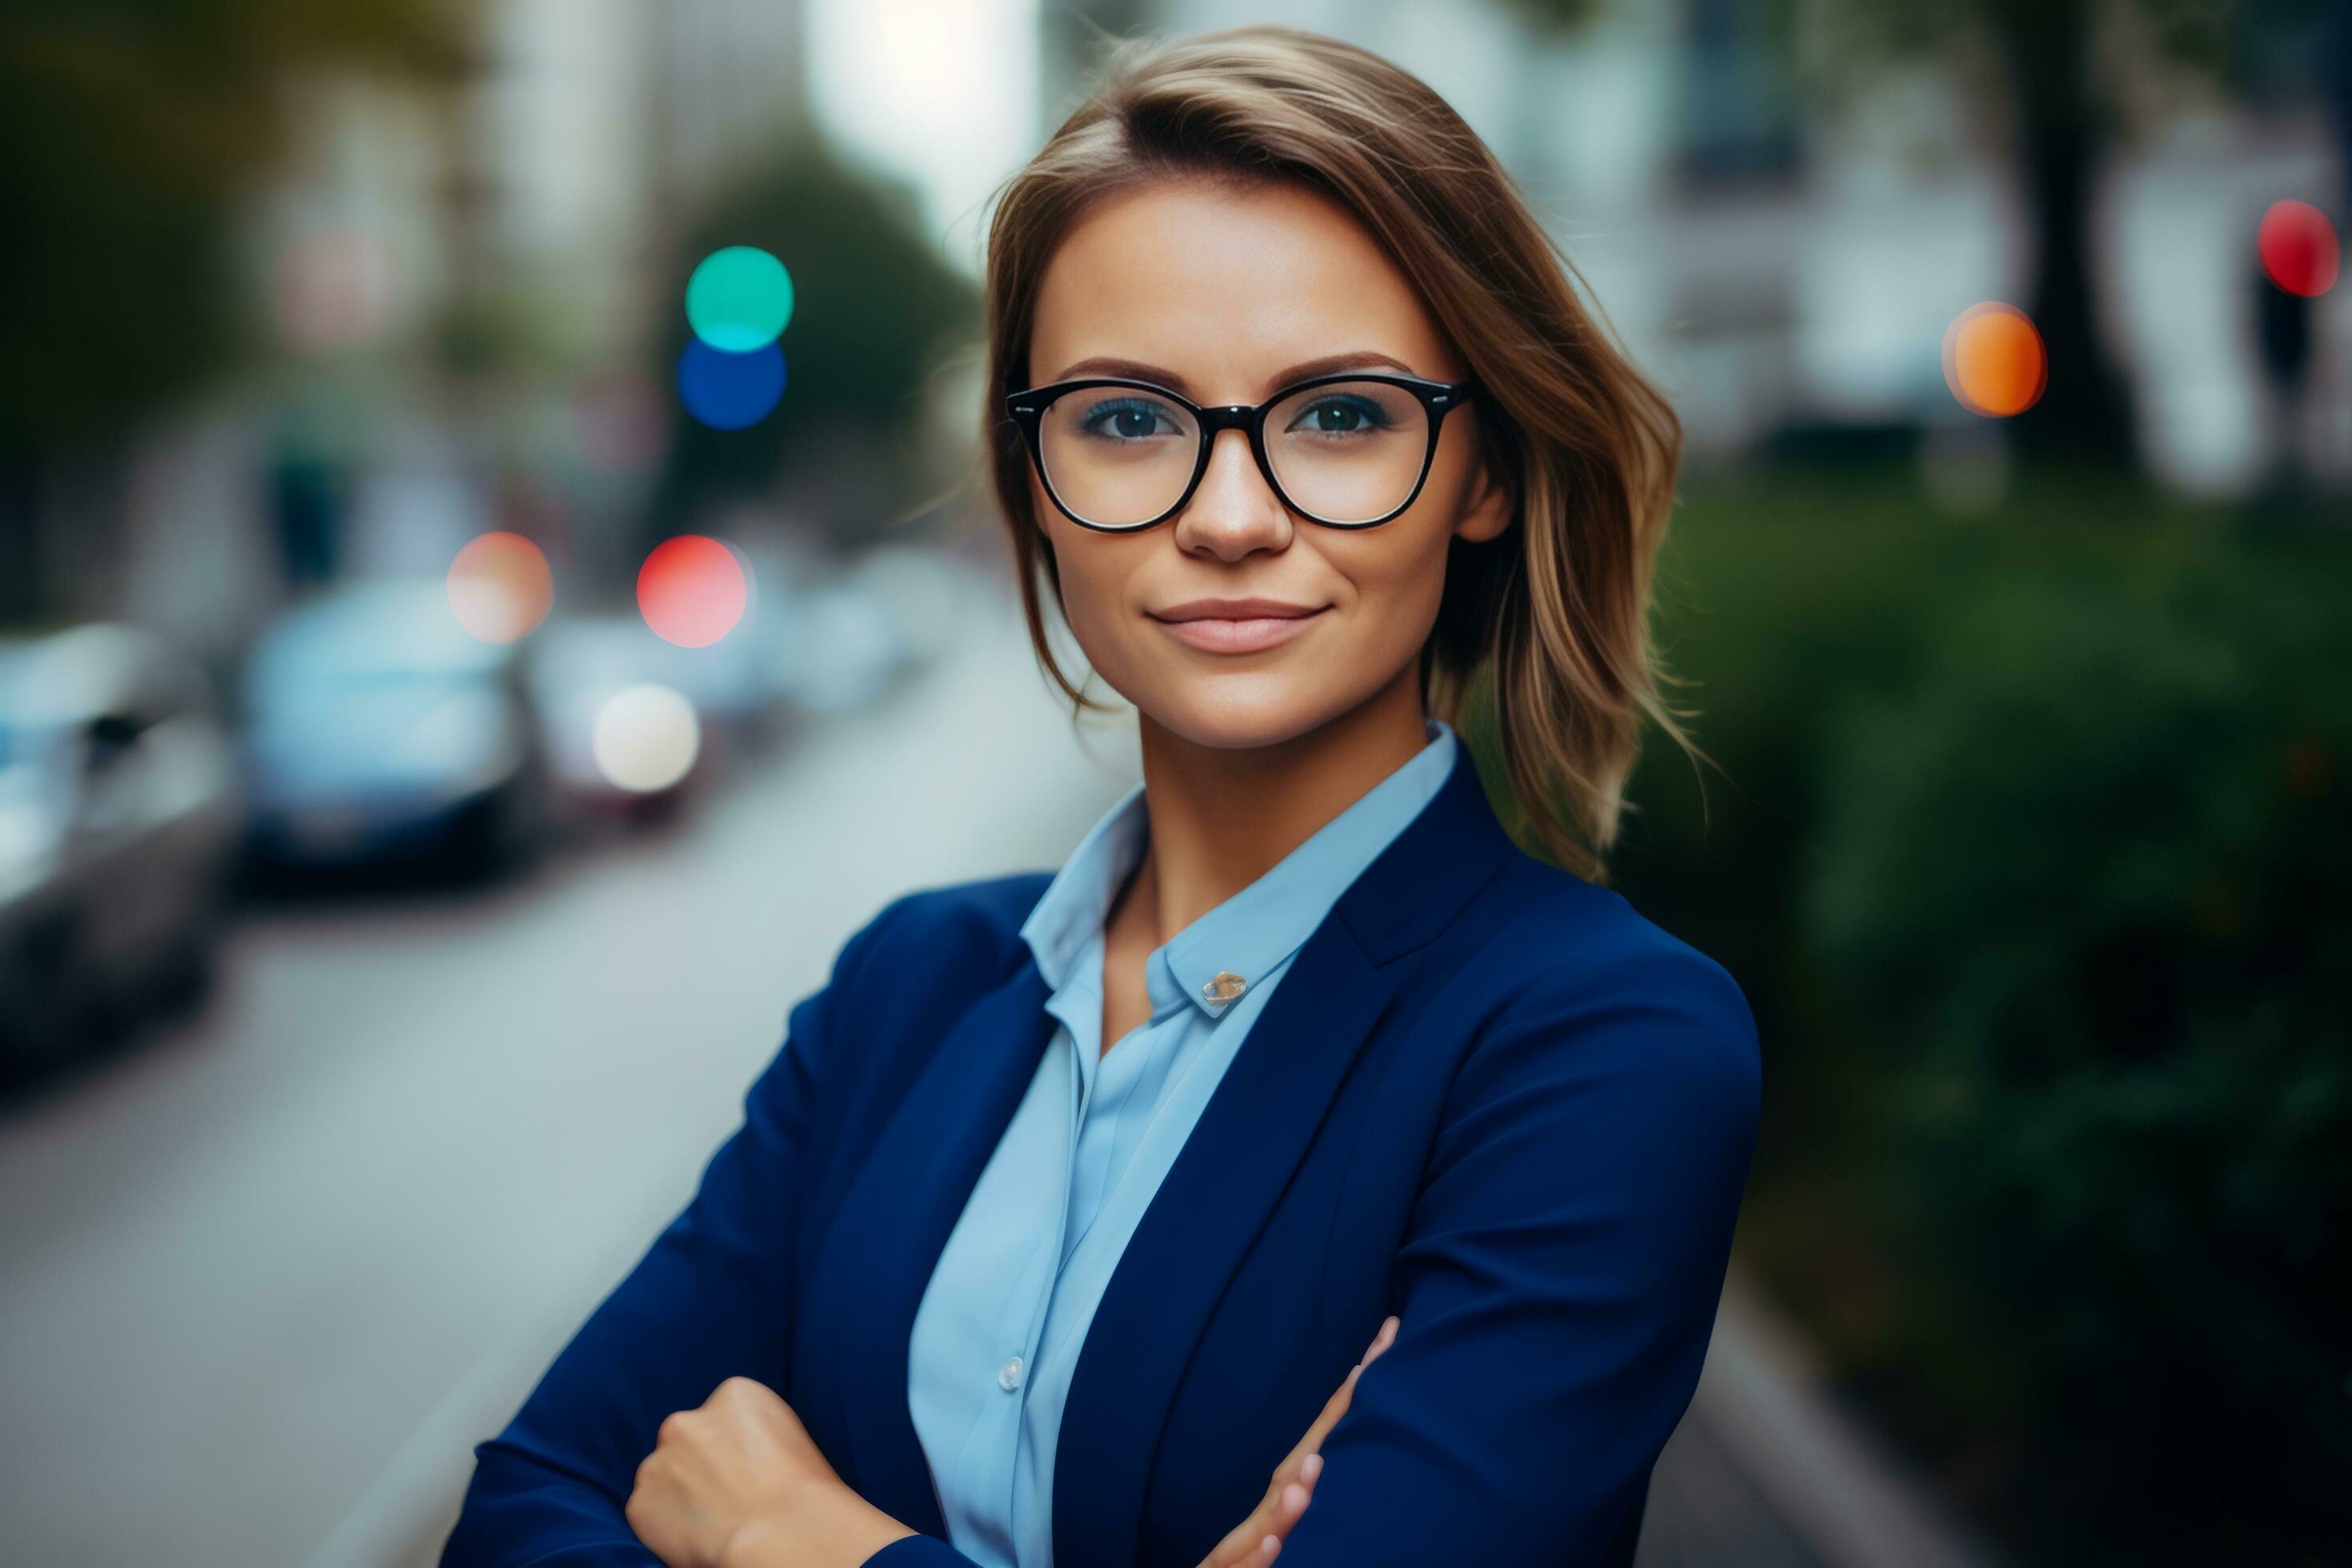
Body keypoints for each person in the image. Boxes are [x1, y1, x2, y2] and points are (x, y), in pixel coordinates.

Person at [442, 25, 1760, 1568]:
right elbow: (524, 1517)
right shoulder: (904, 994)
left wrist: (792, 1542)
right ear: (1033, 481)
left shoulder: (1599, 1049)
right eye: (1129, 420)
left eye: (1340, 414)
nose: (1226, 514)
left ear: (1483, 472)